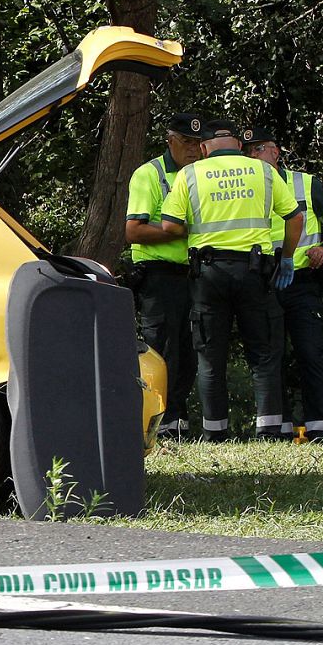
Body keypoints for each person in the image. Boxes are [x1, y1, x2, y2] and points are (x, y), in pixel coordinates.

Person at [152, 118, 303, 441]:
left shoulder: (190, 174)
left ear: (205, 148)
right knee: (263, 352)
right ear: (237, 145)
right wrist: (287, 256)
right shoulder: (263, 172)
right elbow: (294, 217)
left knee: (210, 355)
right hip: (254, 271)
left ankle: (215, 431)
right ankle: (269, 430)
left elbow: (168, 226)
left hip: (207, 274)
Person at [243, 126, 323, 444]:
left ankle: (319, 430)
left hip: (303, 280)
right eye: (247, 151)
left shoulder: (305, 183)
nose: (252, 156)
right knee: (270, 354)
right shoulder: (248, 188)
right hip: (265, 280)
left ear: (275, 152)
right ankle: (279, 430)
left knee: (310, 352)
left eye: (257, 149)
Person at [124, 111, 206, 440]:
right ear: (170, 140)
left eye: (199, 144)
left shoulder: (203, 175)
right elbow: (134, 230)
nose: (193, 150)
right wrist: (180, 232)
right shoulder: (150, 175)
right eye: (186, 142)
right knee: (158, 347)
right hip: (160, 274)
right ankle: (149, 417)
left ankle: (177, 417)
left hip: (195, 273)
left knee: (188, 349)